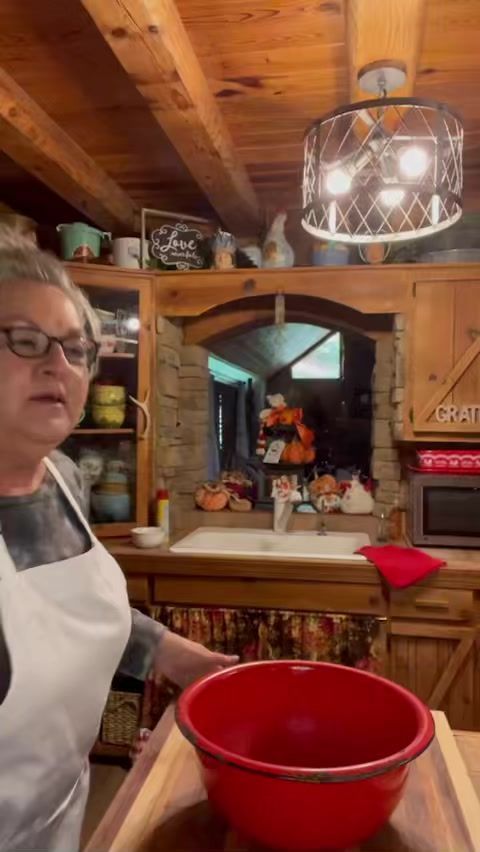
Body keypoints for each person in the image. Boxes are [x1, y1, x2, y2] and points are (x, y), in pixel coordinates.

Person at [0, 229, 237, 852]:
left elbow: (67, 612)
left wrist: (173, 654)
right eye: (26, 341)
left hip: (60, 814)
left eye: (75, 350)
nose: (59, 365)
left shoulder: (65, 479)